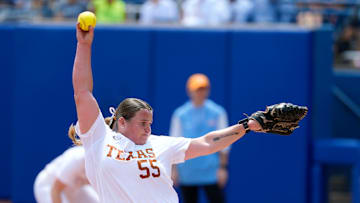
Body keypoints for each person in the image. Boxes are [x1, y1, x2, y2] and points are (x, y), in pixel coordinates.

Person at [71, 23, 262, 202]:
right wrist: (84, 45)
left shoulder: (160, 144)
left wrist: (247, 126)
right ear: (122, 122)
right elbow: (82, 93)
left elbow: (207, 142)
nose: (148, 129)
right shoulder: (99, 138)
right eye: (142, 123)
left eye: (150, 123)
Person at [170, 73, 229, 203]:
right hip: (188, 171)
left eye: (204, 89)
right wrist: (174, 170)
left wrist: (223, 168)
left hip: (211, 172)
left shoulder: (217, 112)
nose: (201, 93)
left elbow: (225, 143)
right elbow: (174, 142)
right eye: (197, 89)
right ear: (189, 91)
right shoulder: (180, 114)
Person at [33, 126, 99, 203]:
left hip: (75, 188)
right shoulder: (77, 159)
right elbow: (56, 189)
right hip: (49, 185)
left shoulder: (103, 162)